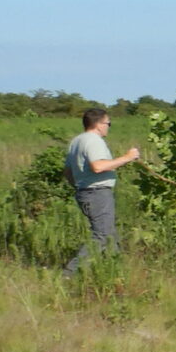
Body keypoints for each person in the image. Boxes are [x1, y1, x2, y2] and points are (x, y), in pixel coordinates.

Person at [63, 106, 141, 274]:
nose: (108, 126)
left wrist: (80, 186)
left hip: (86, 192)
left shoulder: (76, 141)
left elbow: (68, 172)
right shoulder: (93, 140)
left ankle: (116, 273)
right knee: (102, 235)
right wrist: (127, 158)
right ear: (98, 124)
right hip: (97, 193)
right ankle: (69, 274)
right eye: (108, 123)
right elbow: (98, 166)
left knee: (111, 236)